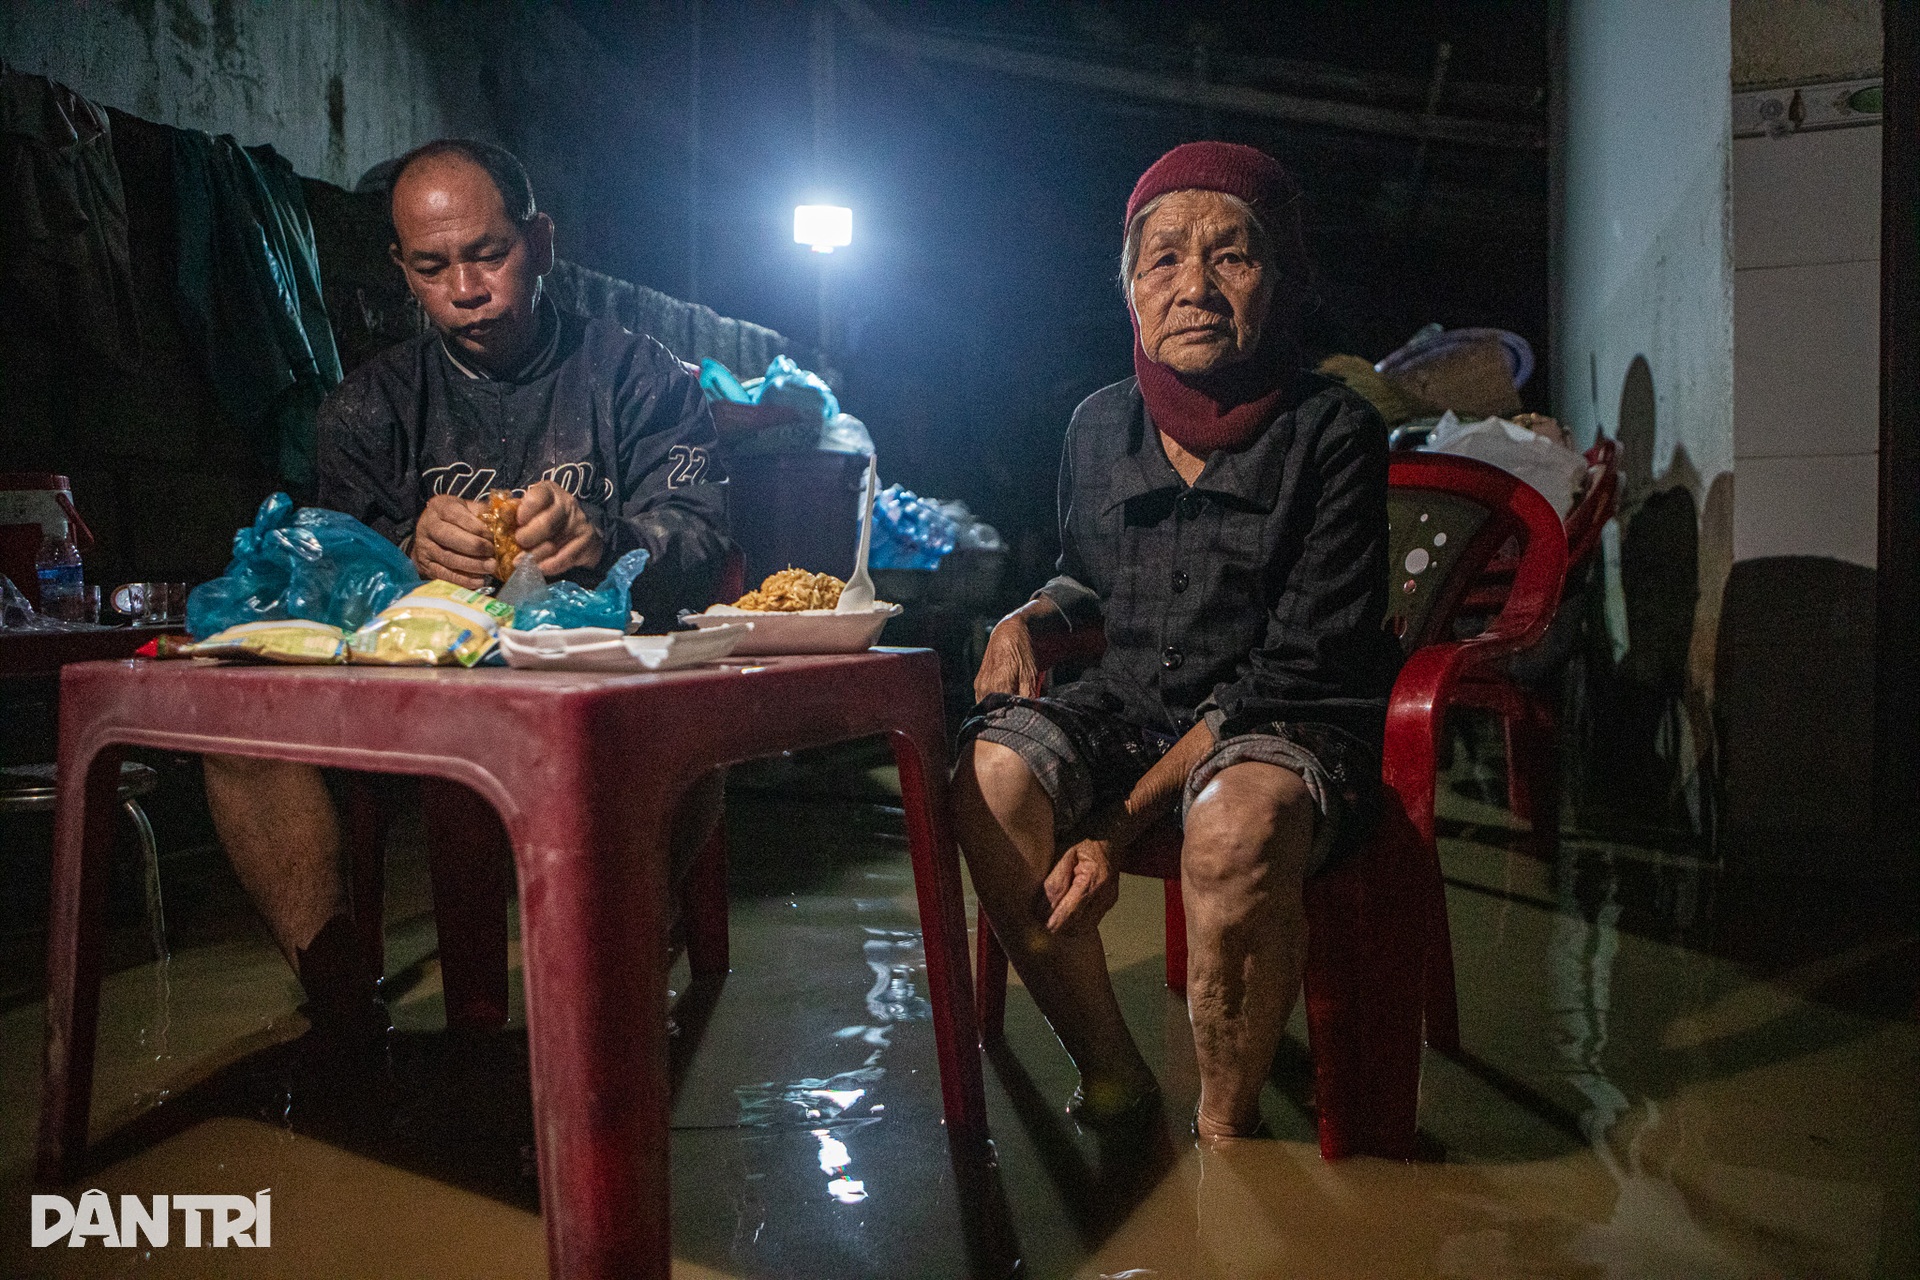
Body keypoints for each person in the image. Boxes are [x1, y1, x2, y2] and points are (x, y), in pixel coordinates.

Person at [202, 139, 729, 1048]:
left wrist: (608, 539)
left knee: (689, 713)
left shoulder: (642, 378)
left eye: (489, 254)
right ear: (401, 270)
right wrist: (404, 554)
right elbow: (328, 578)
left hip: (597, 682)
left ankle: (619, 970)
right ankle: (341, 999)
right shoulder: (367, 408)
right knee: (231, 720)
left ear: (542, 243)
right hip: (416, 697)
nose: (466, 289)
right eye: (432, 266)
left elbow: (703, 533)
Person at [952, 142, 1403, 1140]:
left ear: (1281, 279)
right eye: (1162, 259)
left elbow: (1294, 672)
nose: (1194, 287)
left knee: (1236, 824)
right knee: (988, 779)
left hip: (1281, 724)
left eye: (1232, 257)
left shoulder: (1334, 431)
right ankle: (1112, 1072)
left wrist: (1114, 829)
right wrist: (1028, 617)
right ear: (1130, 289)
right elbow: (1089, 576)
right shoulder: (1096, 425)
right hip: (1129, 709)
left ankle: (1225, 1133)